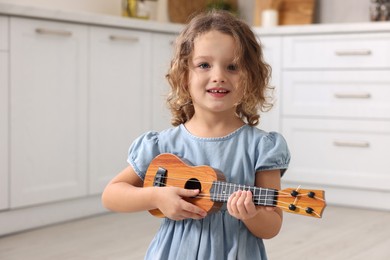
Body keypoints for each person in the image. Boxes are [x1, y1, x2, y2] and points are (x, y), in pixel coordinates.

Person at [102, 9, 290, 260]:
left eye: (232, 66)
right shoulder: (163, 145)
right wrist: (157, 196)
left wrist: (251, 214)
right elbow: (112, 195)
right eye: (204, 65)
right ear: (184, 76)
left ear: (251, 77)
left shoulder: (261, 147)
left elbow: (272, 226)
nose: (218, 76)